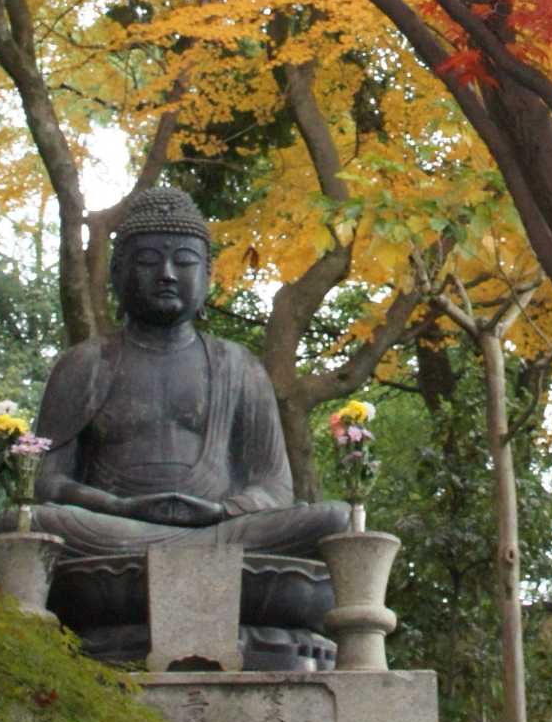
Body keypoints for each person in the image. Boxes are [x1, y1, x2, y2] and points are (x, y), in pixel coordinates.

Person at [29, 184, 348, 560]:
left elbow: (274, 486)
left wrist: (220, 511)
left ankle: (189, 554)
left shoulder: (239, 365)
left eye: (183, 261)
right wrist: (120, 508)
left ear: (207, 276)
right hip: (114, 530)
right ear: (117, 273)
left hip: (222, 530)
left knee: (337, 519)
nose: (166, 274)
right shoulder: (85, 363)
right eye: (148, 260)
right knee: (34, 523)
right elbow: (45, 480)